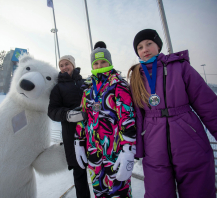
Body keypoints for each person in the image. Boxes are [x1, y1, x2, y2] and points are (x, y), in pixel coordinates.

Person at [128, 29, 217, 198]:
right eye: (139, 47)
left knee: (198, 191)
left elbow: (208, 105)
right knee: (157, 193)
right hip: (154, 148)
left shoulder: (180, 67)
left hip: (190, 142)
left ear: (158, 45)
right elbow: (137, 117)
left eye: (149, 44)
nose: (144, 49)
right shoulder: (136, 77)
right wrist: (138, 149)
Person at [74, 41, 136, 198]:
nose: (99, 65)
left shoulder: (118, 84)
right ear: (92, 65)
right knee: (99, 191)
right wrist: (79, 141)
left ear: (109, 62)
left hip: (115, 150)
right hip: (93, 150)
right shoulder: (87, 87)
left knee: (119, 191)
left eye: (103, 62)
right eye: (96, 63)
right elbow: (83, 116)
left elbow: (127, 118)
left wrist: (128, 149)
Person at [48, 55, 91, 198]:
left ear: (73, 65)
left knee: (97, 165)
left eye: (67, 64)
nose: (64, 67)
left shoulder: (85, 83)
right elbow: (52, 111)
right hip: (71, 134)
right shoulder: (58, 88)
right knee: (79, 171)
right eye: (61, 65)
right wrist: (67, 114)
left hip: (91, 132)